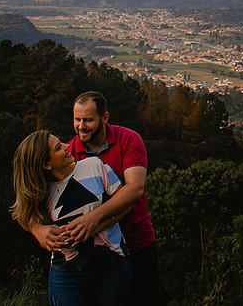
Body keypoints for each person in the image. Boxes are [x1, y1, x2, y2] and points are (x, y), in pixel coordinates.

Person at [31, 91, 160, 305]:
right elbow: (32, 198)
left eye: (88, 120)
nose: (81, 126)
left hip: (136, 242)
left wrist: (93, 219)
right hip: (89, 258)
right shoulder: (67, 153)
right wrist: (37, 229)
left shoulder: (128, 140)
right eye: (77, 119)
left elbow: (135, 189)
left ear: (104, 118)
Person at [12, 130, 132, 305]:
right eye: (58, 147)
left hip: (110, 262)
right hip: (66, 272)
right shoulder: (40, 191)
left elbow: (126, 204)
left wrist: (96, 224)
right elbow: (24, 216)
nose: (68, 146)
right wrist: (37, 230)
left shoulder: (94, 166)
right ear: (46, 163)